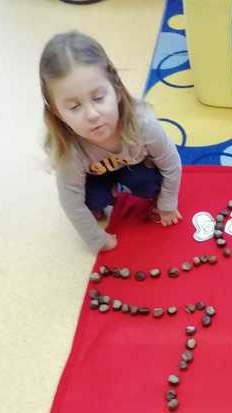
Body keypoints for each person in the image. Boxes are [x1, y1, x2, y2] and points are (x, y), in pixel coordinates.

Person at [39, 31, 182, 253]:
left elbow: (171, 164)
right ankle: (106, 196)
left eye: (98, 98)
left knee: (151, 185)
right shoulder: (70, 150)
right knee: (90, 202)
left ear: (117, 91)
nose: (92, 115)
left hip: (134, 167)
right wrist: (96, 239)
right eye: (74, 107)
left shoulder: (143, 124)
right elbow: (71, 201)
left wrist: (167, 206)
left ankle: (120, 188)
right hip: (94, 178)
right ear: (58, 113)